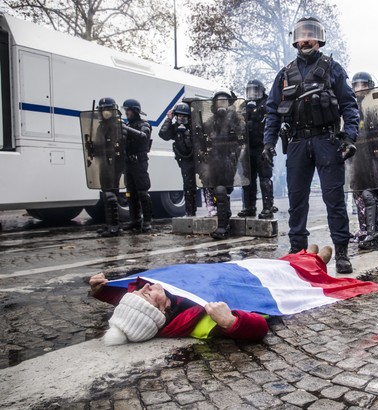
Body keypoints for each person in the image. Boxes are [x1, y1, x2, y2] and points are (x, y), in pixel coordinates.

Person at [262, 17, 360, 273]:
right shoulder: (284, 74)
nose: (305, 39)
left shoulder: (333, 69)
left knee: (334, 199)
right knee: (297, 200)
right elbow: (272, 111)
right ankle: (298, 252)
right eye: (301, 35)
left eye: (310, 34)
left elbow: (350, 105)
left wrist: (350, 136)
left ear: (319, 39)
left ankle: (341, 252)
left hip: (327, 140)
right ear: (295, 39)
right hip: (296, 142)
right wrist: (268, 142)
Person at [89, 244, 335, 345]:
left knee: (267, 265)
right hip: (247, 283)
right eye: (147, 295)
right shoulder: (199, 323)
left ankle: (303, 255)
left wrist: (101, 291)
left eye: (141, 290)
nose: (145, 287)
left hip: (231, 270)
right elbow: (258, 328)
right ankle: (314, 263)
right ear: (161, 311)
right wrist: (231, 322)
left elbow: (128, 295)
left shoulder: (146, 294)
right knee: (281, 278)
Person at [199, 89, 246, 240]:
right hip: (214, 159)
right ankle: (224, 218)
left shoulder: (236, 118)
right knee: (217, 191)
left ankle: (222, 227)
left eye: (224, 101)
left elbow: (242, 132)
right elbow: (201, 134)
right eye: (219, 101)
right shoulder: (211, 121)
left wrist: (231, 114)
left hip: (229, 159)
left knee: (221, 189)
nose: (221, 104)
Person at [348, 71, 378, 251]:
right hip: (356, 158)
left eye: (363, 85)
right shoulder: (350, 107)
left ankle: (373, 232)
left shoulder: (377, 106)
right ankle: (364, 230)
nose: (360, 89)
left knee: (370, 195)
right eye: (357, 85)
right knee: (358, 197)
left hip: (373, 159)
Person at [238, 79, 276, 219]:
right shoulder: (243, 105)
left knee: (265, 178)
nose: (253, 93)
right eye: (250, 90)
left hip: (262, 146)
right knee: (248, 179)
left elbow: (271, 122)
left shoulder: (267, 104)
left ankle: (268, 207)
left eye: (255, 90)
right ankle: (249, 207)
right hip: (247, 148)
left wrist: (256, 112)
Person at [89, 97, 124, 237]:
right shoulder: (100, 126)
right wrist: (92, 147)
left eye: (108, 109)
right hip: (103, 163)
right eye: (103, 110)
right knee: (105, 194)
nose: (106, 112)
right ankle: (109, 224)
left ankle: (115, 226)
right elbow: (100, 144)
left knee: (111, 194)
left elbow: (118, 146)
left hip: (113, 163)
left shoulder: (117, 125)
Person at [158, 102, 197, 217]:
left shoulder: (193, 127)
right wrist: (168, 119)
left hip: (197, 159)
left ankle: (212, 208)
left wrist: (188, 133)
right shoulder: (174, 128)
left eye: (184, 117)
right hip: (185, 161)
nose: (182, 119)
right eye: (179, 116)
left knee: (208, 185)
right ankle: (190, 212)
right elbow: (163, 134)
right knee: (188, 187)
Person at [121, 99, 153, 233]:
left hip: (139, 163)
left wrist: (125, 128)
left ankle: (147, 221)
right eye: (125, 110)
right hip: (128, 163)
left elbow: (144, 136)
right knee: (130, 193)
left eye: (128, 110)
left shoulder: (144, 124)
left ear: (134, 111)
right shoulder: (126, 124)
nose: (126, 112)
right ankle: (134, 220)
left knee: (142, 193)